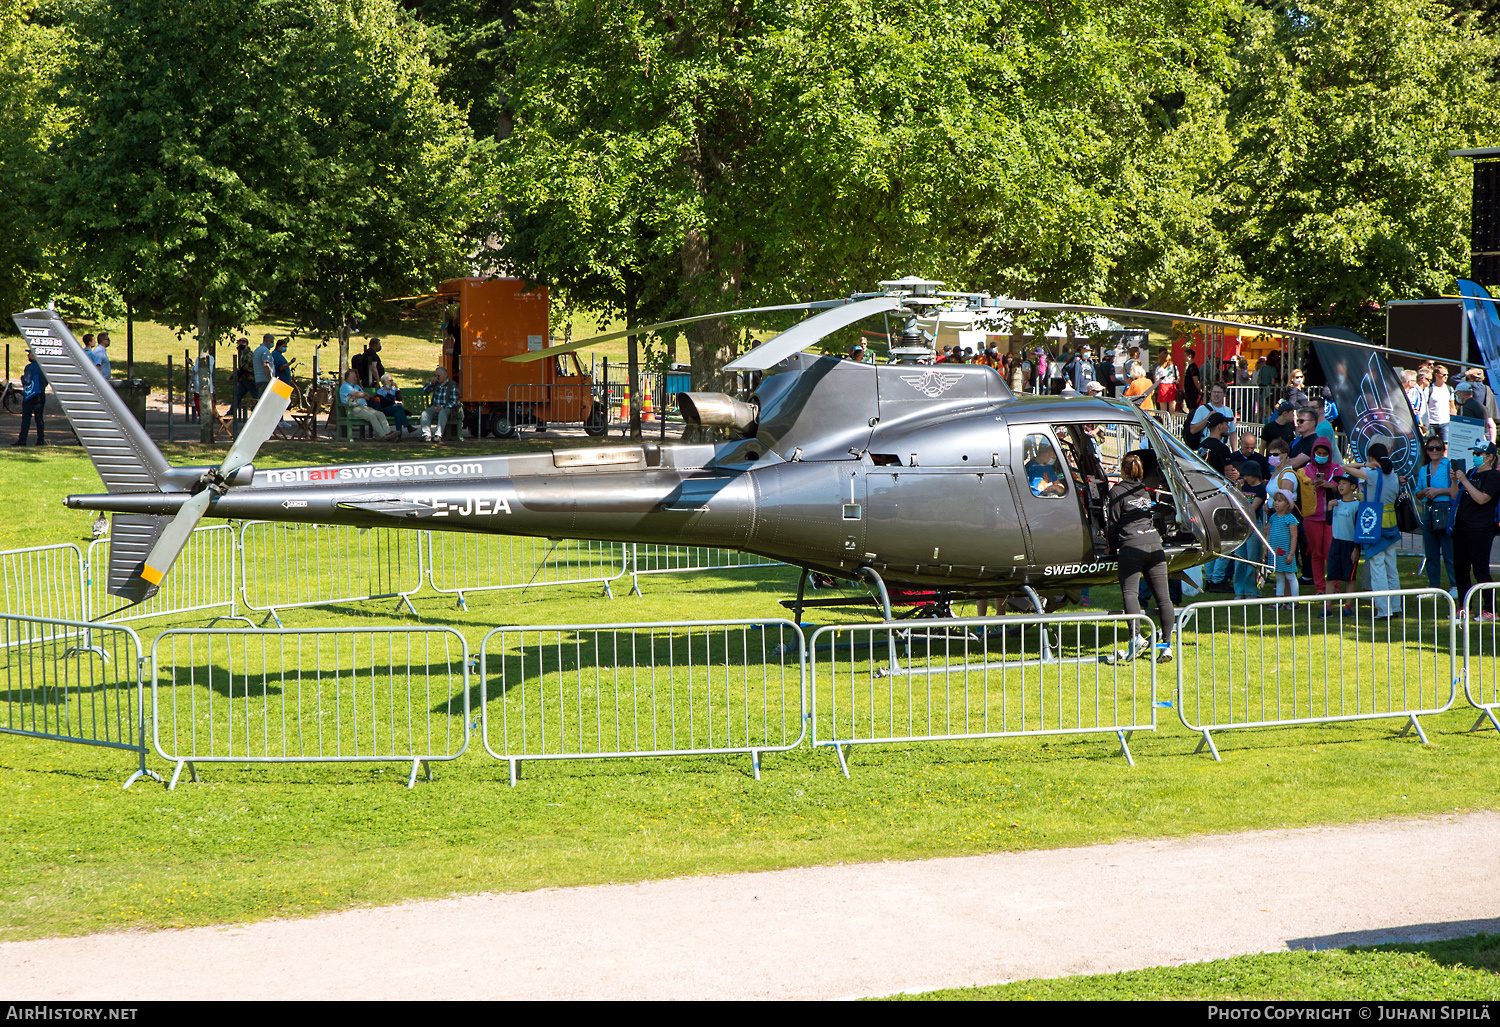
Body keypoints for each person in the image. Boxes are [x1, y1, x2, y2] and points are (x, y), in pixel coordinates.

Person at [1107, 453, 1174, 661]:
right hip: (1154, 545)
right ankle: (1167, 645)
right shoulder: (1144, 491)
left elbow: (1113, 522)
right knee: (1164, 598)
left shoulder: (1116, 491)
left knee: (1130, 592)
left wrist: (1110, 546)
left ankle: (1136, 637)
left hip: (1132, 545)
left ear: (1123, 470)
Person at [1345, 442, 1404, 619]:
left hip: (1374, 525)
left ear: (1372, 458)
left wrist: (1364, 465)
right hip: (1391, 523)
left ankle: (1383, 610)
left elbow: (1344, 466)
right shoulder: (1394, 475)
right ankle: (1395, 606)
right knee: (1391, 567)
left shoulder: (1371, 474)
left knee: (1377, 568)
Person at [1452, 441, 1500, 619]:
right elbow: (1454, 496)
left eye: (1479, 454)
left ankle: (1490, 609)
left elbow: (1482, 499)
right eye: (1474, 453)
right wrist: (1455, 482)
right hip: (1462, 528)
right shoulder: (1471, 473)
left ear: (1489, 457)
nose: (1475, 457)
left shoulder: (1494, 476)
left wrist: (1464, 480)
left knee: (1480, 570)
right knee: (1461, 569)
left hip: (1480, 529)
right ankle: (1464, 608)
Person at [1414, 435, 1459, 597]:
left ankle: (1455, 585)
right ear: (1426, 451)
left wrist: (1438, 491)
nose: (1434, 451)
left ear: (1443, 450)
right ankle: (1434, 586)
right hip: (1430, 510)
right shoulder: (1423, 469)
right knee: (1430, 551)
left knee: (1449, 550)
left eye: (1438, 448)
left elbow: (1456, 489)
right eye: (1431, 448)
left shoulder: (1449, 466)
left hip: (1445, 509)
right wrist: (1424, 492)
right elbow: (1418, 492)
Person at [1300, 439, 1342, 596]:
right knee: (1316, 553)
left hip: (1333, 517)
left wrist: (1331, 486)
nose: (1321, 456)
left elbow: (1344, 488)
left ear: (1330, 454)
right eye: (1318, 454)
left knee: (1330, 552)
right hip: (1312, 517)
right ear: (1313, 453)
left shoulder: (1336, 469)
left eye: (1325, 454)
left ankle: (1335, 587)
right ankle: (1320, 588)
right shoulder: (1306, 470)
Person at [1326, 474, 1364, 610]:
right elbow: (1329, 522)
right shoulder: (1337, 503)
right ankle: (1328, 607)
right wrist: (1329, 507)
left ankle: (1347, 606)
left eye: (1344, 483)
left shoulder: (1357, 506)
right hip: (1336, 542)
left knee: (1350, 577)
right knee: (1330, 576)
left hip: (1350, 544)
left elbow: (1359, 529)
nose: (1340, 486)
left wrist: (1356, 548)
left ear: (1353, 487)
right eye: (1339, 483)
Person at [1232, 459, 1268, 598]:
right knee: (1240, 559)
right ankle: (1239, 590)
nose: (1245, 478)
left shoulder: (1260, 489)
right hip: (1241, 525)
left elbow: (1251, 508)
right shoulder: (1243, 487)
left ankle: (1252, 590)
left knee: (1252, 559)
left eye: (1248, 475)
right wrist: (1238, 488)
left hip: (1253, 525)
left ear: (1255, 475)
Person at [339, 368, 397, 441]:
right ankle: (384, 436)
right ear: (347, 378)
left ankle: (388, 433)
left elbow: (367, 397)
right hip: (353, 409)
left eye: (356, 377)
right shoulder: (345, 386)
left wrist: (361, 395)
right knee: (372, 416)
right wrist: (360, 395)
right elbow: (358, 394)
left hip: (364, 407)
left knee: (380, 414)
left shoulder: (356, 386)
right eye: (353, 377)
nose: (356, 378)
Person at [1267, 489, 1301, 607]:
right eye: (1275, 500)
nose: (1276, 503)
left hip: (1286, 553)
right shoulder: (1273, 517)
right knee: (1279, 576)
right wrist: (1267, 550)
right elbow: (1269, 534)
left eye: (1280, 501)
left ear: (1287, 504)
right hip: (1276, 553)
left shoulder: (1290, 518)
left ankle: (1294, 601)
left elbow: (1294, 536)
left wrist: (1291, 553)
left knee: (1290, 576)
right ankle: (1279, 600)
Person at [13, 347, 46, 446]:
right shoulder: (43, 367)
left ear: (34, 355)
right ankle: (40, 439)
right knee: (39, 418)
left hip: (31, 395)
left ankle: (22, 440)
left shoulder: (30, 367)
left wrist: (22, 378)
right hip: (41, 394)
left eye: (29, 353)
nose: (28, 355)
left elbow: (27, 381)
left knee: (26, 418)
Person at [420, 365, 462, 442]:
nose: (437, 378)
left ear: (445, 375)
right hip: (435, 407)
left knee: (442, 412)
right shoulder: (436, 384)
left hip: (448, 409)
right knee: (425, 413)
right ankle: (426, 435)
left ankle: (438, 435)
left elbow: (454, 401)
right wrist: (430, 383)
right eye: (436, 376)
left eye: (438, 376)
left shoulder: (452, 385)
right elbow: (423, 391)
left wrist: (442, 407)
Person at [1187, 383, 1236, 448]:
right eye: (1214, 392)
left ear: (1224, 394)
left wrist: (1235, 452)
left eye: (1219, 392)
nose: (1216, 395)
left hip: (1222, 448)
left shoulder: (1228, 411)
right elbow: (1193, 430)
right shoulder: (1202, 409)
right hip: (1206, 449)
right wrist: (1207, 419)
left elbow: (1232, 433)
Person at [1425, 365, 1454, 442]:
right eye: (1443, 375)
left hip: (1445, 422)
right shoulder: (1429, 389)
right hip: (1431, 422)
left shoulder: (1449, 389)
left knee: (1446, 445)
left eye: (1447, 375)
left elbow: (1452, 407)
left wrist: (1453, 422)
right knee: (1431, 444)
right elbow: (1425, 406)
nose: (1446, 377)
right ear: (1436, 375)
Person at [229, 339, 254, 418]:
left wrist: (232, 377)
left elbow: (244, 368)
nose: (241, 344)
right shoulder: (243, 354)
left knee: (257, 397)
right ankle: (230, 413)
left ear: (247, 344)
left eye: (243, 343)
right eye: (239, 343)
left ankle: (260, 412)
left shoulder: (248, 354)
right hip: (244, 380)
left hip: (250, 379)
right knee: (237, 396)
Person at [251, 333, 274, 399]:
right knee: (265, 400)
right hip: (265, 379)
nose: (272, 344)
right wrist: (269, 379)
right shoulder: (265, 351)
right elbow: (266, 365)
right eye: (271, 342)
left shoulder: (257, 350)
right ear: (266, 341)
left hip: (258, 378)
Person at [1183, 346, 1202, 413]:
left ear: (1190, 356)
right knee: (1190, 407)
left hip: (1192, 392)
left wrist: (1198, 388)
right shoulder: (1190, 367)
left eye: (1185, 356)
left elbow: (1195, 379)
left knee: (1192, 408)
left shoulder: (1192, 367)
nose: (1184, 358)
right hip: (1189, 392)